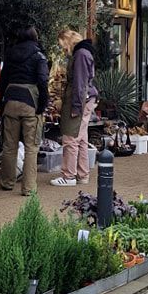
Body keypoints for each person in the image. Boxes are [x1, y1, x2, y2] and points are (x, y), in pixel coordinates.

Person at [0, 25, 50, 195]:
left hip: (10, 100)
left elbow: (2, 81)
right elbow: (42, 81)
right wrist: (42, 104)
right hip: (30, 102)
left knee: (9, 145)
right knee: (31, 147)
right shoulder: (39, 56)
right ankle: (28, 188)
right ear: (35, 37)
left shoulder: (10, 54)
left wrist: (2, 103)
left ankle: (7, 182)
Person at [51, 28, 98, 187]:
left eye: (62, 44)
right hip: (86, 98)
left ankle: (68, 175)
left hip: (79, 100)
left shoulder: (80, 55)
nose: (63, 49)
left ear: (68, 41)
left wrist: (76, 107)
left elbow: (79, 83)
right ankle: (82, 174)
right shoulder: (84, 52)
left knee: (70, 137)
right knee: (81, 138)